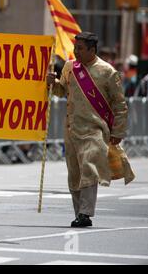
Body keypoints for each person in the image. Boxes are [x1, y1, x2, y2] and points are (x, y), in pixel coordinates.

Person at [46, 32, 129, 228]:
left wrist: (118, 131)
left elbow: (120, 104)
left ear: (92, 49)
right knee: (74, 173)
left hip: (95, 130)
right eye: (75, 48)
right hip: (71, 128)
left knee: (89, 168)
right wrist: (52, 83)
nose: (76, 52)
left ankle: (85, 213)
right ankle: (79, 213)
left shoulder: (107, 71)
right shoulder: (70, 67)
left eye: (80, 49)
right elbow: (61, 91)